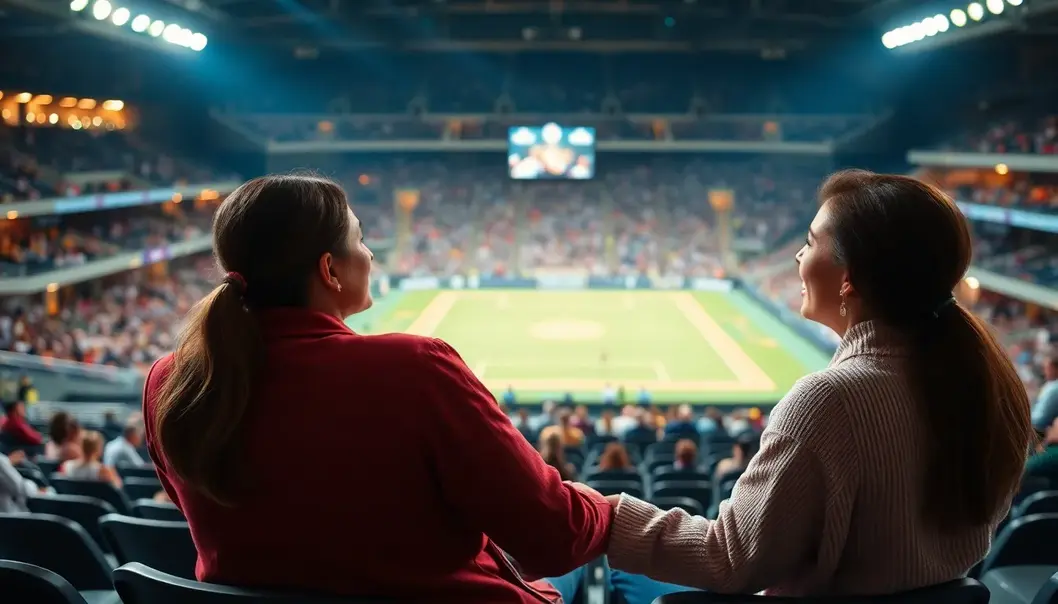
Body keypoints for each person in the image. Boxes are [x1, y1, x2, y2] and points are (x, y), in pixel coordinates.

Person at [142, 175, 610, 603]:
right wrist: (607, 510)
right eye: (360, 239)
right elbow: (555, 537)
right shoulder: (414, 368)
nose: (370, 253)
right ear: (329, 269)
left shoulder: (171, 381)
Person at [598, 170, 1035, 599]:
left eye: (808, 243)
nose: (798, 257)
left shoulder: (829, 400)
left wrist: (607, 516)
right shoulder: (990, 382)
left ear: (849, 279)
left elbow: (729, 560)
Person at [1032, 356, 1058, 432]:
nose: (1044, 372)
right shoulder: (1048, 385)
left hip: (1041, 430)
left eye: (1048, 368)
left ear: (1056, 369)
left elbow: (1043, 418)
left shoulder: (1054, 388)